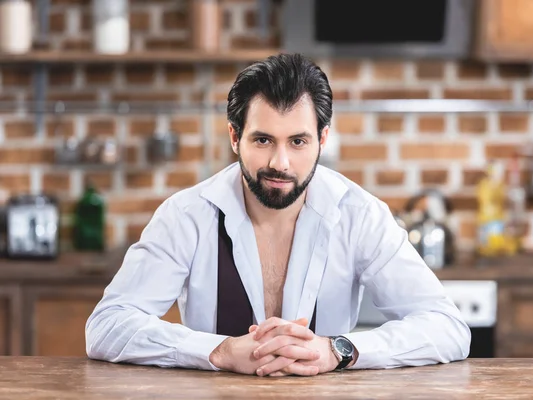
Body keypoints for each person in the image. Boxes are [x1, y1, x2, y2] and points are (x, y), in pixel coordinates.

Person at [85, 53, 470, 377]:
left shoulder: (361, 215)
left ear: (322, 139)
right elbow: (107, 326)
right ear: (235, 137)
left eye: (298, 141)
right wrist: (216, 351)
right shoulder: (185, 215)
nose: (279, 163)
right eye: (263, 139)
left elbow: (448, 327)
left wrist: (337, 350)